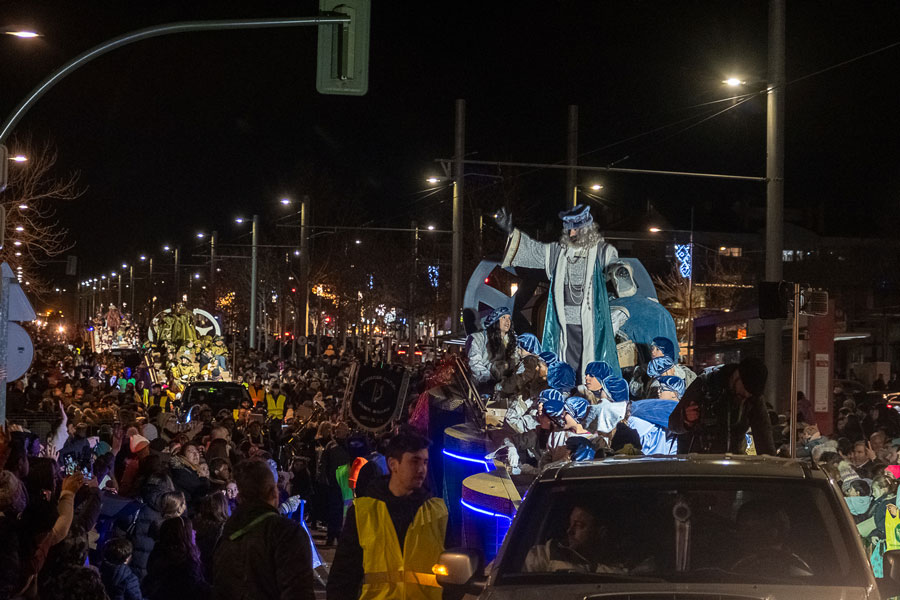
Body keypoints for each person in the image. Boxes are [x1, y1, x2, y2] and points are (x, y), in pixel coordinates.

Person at [495, 204, 620, 378]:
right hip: (563, 323)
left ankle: (591, 393)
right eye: (569, 230)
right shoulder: (557, 252)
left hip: (592, 321)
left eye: (576, 230)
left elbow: (617, 271)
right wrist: (510, 231)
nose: (572, 234)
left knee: (592, 360)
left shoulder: (603, 252)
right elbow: (533, 251)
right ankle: (566, 391)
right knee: (564, 361)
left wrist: (620, 273)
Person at [327, 431, 448, 600]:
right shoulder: (364, 512)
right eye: (414, 461)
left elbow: (452, 575)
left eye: (425, 462)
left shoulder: (438, 512)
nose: (422, 469)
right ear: (393, 464)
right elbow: (343, 577)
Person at [213, 458, 315, 600]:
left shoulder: (226, 532)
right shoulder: (287, 533)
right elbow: (298, 591)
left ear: (240, 497)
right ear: (274, 492)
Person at [668, 357, 776, 455]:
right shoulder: (705, 384)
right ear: (737, 376)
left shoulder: (753, 397)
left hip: (733, 467)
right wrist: (686, 419)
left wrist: (771, 464)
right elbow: (673, 424)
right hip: (698, 465)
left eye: (749, 396)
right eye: (743, 393)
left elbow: (764, 435)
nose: (746, 397)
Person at [524, 504, 625, 573]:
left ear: (600, 532)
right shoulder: (544, 555)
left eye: (578, 525)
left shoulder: (624, 566)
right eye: (570, 523)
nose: (569, 531)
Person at [143, 517, 210, 600]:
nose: (194, 532)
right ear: (183, 534)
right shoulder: (186, 564)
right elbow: (196, 590)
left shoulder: (160, 555)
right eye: (191, 529)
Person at [467, 307, 519, 387]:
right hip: (483, 386)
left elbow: (516, 361)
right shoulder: (478, 338)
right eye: (504, 317)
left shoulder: (512, 339)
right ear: (495, 320)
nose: (508, 321)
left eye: (509, 318)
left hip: (506, 386)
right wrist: (490, 380)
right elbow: (475, 363)